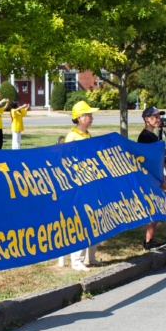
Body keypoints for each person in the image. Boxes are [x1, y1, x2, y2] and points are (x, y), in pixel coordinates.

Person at [63, 101, 99, 269]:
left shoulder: (87, 135)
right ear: (79, 118)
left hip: (90, 182)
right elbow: (67, 161)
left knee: (95, 218)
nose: (91, 118)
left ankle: (90, 257)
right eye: (89, 115)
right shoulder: (72, 137)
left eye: (91, 115)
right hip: (79, 185)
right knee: (81, 221)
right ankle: (76, 260)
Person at [137, 106, 166, 249]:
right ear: (146, 119)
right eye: (154, 117)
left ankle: (151, 239)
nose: (157, 120)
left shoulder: (153, 136)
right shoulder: (145, 137)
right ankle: (148, 241)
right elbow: (146, 160)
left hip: (155, 176)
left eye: (158, 117)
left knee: (156, 208)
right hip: (149, 178)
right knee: (152, 209)